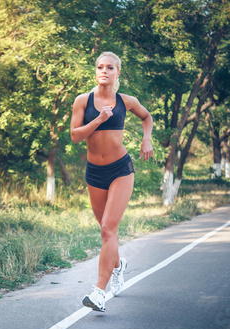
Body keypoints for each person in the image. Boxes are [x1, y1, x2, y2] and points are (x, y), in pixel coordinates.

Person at [70, 52, 153, 312]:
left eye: (109, 67)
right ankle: (118, 266)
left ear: (118, 72)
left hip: (120, 170)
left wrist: (146, 138)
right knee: (107, 232)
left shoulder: (126, 101)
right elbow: (74, 136)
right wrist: (98, 119)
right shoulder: (83, 101)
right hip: (94, 173)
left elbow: (147, 117)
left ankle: (98, 293)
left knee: (108, 229)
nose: (103, 71)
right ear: (95, 71)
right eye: (99, 67)